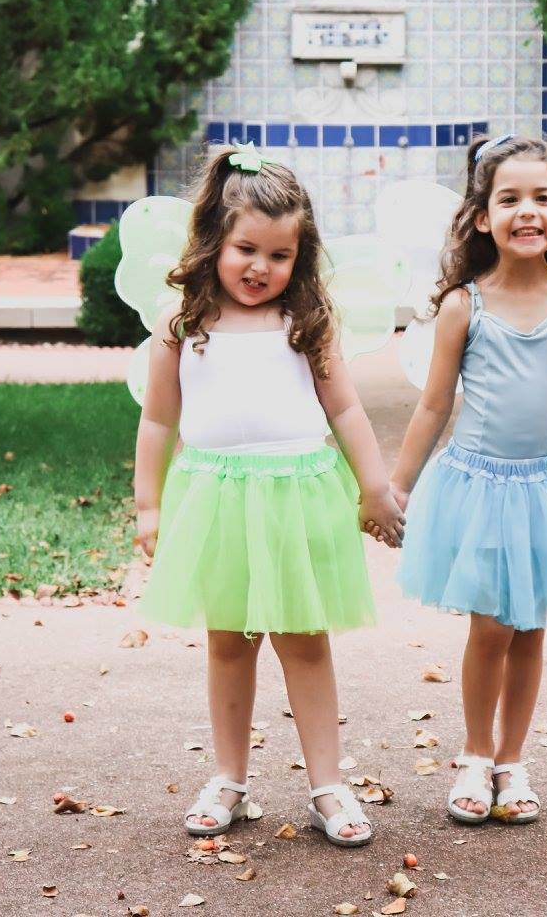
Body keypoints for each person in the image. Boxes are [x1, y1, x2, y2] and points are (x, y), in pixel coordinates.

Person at [134, 144, 404, 848]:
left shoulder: (307, 324)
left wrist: (374, 485)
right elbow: (158, 419)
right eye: (245, 249)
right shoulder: (183, 326)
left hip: (296, 499)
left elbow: (345, 411)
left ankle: (327, 784)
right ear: (214, 242)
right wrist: (148, 505)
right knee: (229, 644)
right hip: (216, 498)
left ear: (300, 256)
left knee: (305, 644)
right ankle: (228, 778)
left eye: (279, 256)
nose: (260, 267)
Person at [390, 134, 547, 826]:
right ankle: (473, 753)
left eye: (543, 198)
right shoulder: (466, 304)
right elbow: (434, 403)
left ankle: (512, 760)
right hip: (479, 486)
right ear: (483, 217)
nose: (529, 211)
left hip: (546, 488)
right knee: (490, 626)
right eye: (510, 198)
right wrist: (396, 487)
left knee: (531, 627)